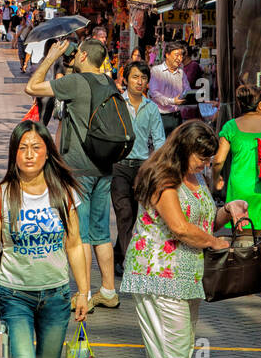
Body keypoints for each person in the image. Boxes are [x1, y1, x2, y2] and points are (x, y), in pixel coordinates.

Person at [121, 121, 248, 358]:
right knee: (174, 356)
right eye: (201, 156)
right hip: (159, 278)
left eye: (208, 158)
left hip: (187, 277)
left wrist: (229, 210)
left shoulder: (195, 177)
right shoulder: (163, 178)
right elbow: (180, 228)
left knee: (174, 354)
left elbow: (203, 223)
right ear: (182, 148)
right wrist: (215, 243)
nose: (205, 163)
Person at [0, 121, 92, 358]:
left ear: (48, 152)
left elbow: (75, 245)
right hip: (15, 295)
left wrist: (84, 293)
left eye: (36, 147)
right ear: (14, 153)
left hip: (57, 296)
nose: (29, 155)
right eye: (22, 148)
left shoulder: (65, 193)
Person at [25, 38, 118, 310]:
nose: (73, 55)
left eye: (76, 53)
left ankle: (85, 294)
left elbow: (31, 87)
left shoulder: (76, 83)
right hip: (104, 166)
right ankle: (109, 291)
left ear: (85, 55)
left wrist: (51, 57)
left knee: (81, 233)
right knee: (102, 231)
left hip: (79, 167)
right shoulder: (108, 83)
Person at [214, 85, 261, 297]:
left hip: (240, 189)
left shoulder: (230, 127)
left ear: (240, 104)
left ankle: (247, 277)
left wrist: (215, 177)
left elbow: (219, 159)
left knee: (243, 233)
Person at [113, 61, 165, 276]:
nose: (139, 82)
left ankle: (118, 254)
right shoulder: (116, 104)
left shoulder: (151, 108)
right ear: (126, 79)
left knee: (134, 215)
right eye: (135, 77)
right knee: (124, 212)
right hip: (118, 166)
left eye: (143, 78)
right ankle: (126, 261)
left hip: (141, 168)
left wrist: (160, 167)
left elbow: (159, 139)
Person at [149, 42, 190, 136]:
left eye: (181, 56)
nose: (180, 59)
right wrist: (172, 101)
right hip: (161, 117)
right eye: (177, 55)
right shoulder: (156, 71)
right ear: (167, 55)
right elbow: (154, 94)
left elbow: (187, 89)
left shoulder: (181, 73)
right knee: (161, 145)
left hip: (177, 116)